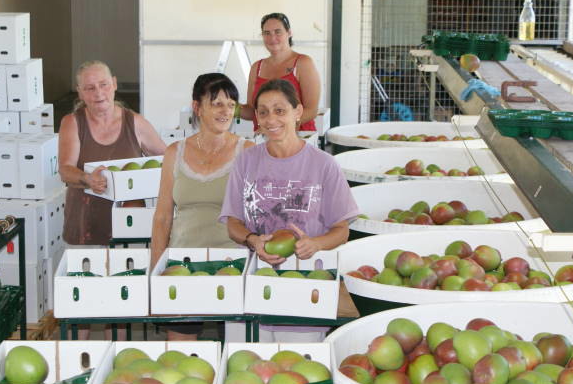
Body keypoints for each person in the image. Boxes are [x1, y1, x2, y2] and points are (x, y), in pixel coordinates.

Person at [220, 79, 359, 342]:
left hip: (305, 290)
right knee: (246, 365)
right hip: (252, 290)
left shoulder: (324, 165)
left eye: (280, 110)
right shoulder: (246, 161)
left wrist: (315, 244)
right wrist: (252, 240)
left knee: (296, 365)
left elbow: (342, 230)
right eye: (263, 112)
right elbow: (233, 223)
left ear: (298, 112)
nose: (271, 119)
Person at [58, 60, 166, 339]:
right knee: (80, 298)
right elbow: (66, 169)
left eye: (104, 85)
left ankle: (115, 356)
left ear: (115, 84)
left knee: (119, 299)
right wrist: (86, 178)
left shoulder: (135, 123)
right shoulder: (73, 123)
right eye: (89, 88)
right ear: (80, 92)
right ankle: (76, 359)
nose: (98, 93)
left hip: (128, 226)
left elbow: (167, 159)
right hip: (86, 224)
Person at [151, 73, 254, 341]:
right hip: (183, 265)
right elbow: (162, 217)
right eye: (217, 104)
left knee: (238, 352)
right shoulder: (175, 152)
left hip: (233, 264)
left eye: (231, 105)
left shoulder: (247, 151)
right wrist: (155, 270)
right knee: (180, 355)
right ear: (197, 107)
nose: (225, 111)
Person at [238, 12, 321, 132]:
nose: (272, 38)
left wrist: (278, 126)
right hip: (264, 138)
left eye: (278, 32)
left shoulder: (303, 63)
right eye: (267, 33)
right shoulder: (257, 67)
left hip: (298, 137)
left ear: (289, 33)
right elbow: (252, 111)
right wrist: (230, 107)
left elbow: (311, 110)